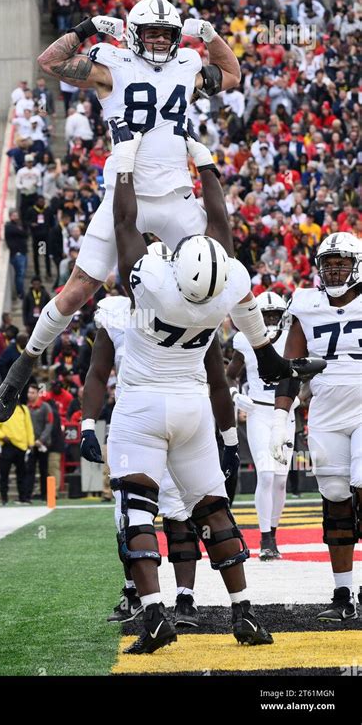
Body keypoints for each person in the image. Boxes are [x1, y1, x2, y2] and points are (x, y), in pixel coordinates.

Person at [96, 123, 325, 653]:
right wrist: (206, 162)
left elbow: (126, 220)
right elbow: (220, 222)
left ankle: (154, 615)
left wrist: (126, 160)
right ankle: (244, 612)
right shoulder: (229, 284)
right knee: (213, 510)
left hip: (143, 403)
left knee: (136, 507)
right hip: (194, 405)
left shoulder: (153, 283)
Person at [0, 0, 242, 421]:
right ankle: (22, 367)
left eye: (168, 33)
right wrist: (88, 26)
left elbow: (232, 74)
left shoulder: (185, 66)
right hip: (124, 193)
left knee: (226, 273)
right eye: (152, 32)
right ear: (134, 33)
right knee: (79, 288)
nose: (161, 40)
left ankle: (266, 358)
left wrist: (212, 36)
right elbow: (49, 62)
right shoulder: (113, 66)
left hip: (176, 193)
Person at [82, 259, 240, 627]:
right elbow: (97, 371)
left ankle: (185, 600)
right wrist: (88, 424)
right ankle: (136, 594)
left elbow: (218, 379)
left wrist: (229, 439)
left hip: (177, 414)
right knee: (131, 515)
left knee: (180, 511)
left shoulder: (195, 305)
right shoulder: (119, 313)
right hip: (141, 420)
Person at [271, 232, 362, 622]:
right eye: (329, 263)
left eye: (342, 262)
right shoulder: (306, 303)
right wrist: (280, 417)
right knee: (336, 498)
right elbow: (291, 369)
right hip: (325, 410)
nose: (335, 269)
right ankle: (343, 593)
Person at [227, 292, 297, 560]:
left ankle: (274, 535)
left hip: (285, 414)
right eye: (265, 315)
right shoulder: (245, 340)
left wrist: (299, 398)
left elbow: (304, 376)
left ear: (283, 317)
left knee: (280, 481)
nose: (269, 320)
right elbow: (231, 375)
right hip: (257, 411)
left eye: (274, 315)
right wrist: (236, 396)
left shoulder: (293, 340)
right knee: (266, 475)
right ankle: (265, 537)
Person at [0, 403, 35, 505]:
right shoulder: (1, 408)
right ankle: (4, 498)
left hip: (21, 446)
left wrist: (31, 443)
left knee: (22, 474)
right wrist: (2, 436)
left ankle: (23, 498)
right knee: (4, 474)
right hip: (7, 445)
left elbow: (29, 427)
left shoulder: (23, 409)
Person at [25, 384, 53, 501]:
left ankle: (44, 495)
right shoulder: (26, 408)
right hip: (31, 445)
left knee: (44, 470)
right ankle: (28, 494)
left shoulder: (45, 407)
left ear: (37, 393)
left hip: (43, 445)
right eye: (29, 392)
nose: (29, 395)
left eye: (32, 392)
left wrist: (41, 440)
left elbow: (49, 424)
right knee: (29, 470)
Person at [4, 209, 28, 300]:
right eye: (14, 215)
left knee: (21, 274)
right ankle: (20, 293)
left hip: (23, 253)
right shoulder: (9, 226)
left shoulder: (19, 225)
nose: (16, 217)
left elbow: (25, 234)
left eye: (16, 215)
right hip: (17, 254)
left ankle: (20, 292)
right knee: (20, 274)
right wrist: (20, 230)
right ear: (10, 217)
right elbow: (21, 233)